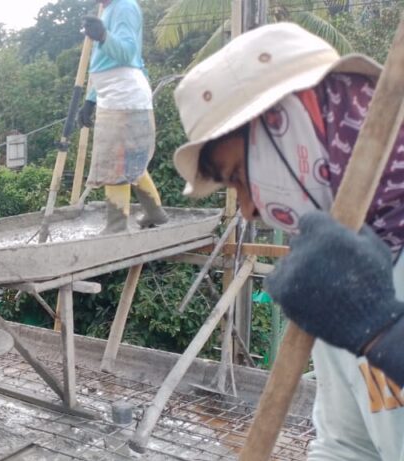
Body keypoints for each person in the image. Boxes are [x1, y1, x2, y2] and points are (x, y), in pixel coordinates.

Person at [171, 23, 403, 459]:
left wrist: (382, 331)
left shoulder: (358, 300)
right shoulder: (343, 273)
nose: (246, 209)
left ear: (291, 126)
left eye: (238, 177)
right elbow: (346, 445)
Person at [78, 0, 168, 234]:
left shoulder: (125, 6)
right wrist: (90, 99)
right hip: (113, 94)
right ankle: (154, 211)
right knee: (129, 160)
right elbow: (105, 64)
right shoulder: (107, 8)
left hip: (125, 96)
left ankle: (116, 226)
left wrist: (104, 36)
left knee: (115, 161)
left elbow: (128, 53)